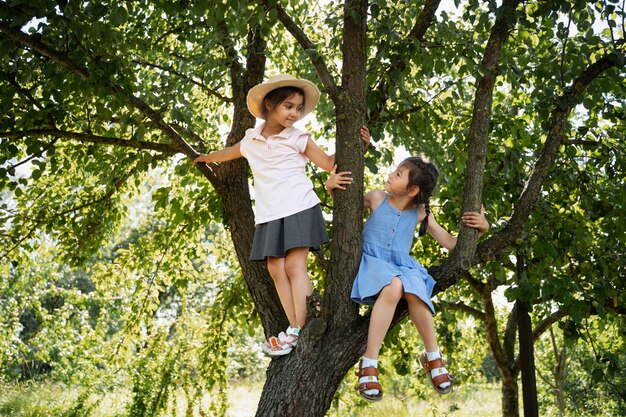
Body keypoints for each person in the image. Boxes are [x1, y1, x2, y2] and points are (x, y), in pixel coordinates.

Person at [194, 74, 370, 356]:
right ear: (269, 105)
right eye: (288, 106)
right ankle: (294, 328)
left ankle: (300, 328)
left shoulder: (297, 137)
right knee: (275, 269)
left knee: (293, 267)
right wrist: (206, 157)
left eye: (299, 108)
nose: (294, 113)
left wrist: (358, 145)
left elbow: (327, 162)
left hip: (299, 205)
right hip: (269, 214)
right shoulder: (250, 141)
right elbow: (229, 152)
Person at [325, 156, 489, 401]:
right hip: (374, 263)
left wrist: (482, 228)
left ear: (413, 190)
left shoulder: (421, 212)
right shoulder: (376, 198)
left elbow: (451, 243)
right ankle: (369, 362)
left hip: (402, 266)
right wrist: (331, 186)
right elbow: (344, 207)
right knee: (394, 286)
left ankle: (433, 357)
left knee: (413, 289)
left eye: (399, 174)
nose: (391, 175)